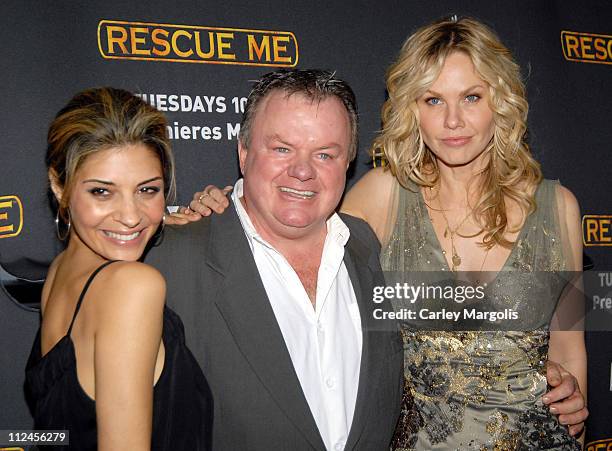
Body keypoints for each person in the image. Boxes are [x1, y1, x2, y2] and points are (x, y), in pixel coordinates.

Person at [187, 20, 588, 449]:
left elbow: (569, 346)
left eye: (471, 97)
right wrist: (222, 205)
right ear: (412, 108)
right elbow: (289, 220)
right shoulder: (384, 196)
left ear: (501, 102)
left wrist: (576, 403)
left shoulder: (559, 207)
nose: (453, 120)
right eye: (433, 100)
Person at [145, 69, 403, 451]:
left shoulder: (374, 250)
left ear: (347, 163)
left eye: (325, 154)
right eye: (282, 149)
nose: (302, 171)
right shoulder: (166, 263)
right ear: (243, 151)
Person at [25, 87, 213, 451]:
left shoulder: (61, 273)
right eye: (101, 192)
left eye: (147, 190)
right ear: (58, 186)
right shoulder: (131, 286)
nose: (130, 217)